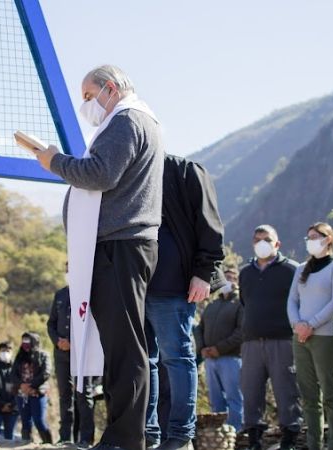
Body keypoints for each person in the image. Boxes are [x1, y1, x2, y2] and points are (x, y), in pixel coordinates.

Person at [34, 64, 164, 450]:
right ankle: (123, 434)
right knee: (119, 345)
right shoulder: (137, 120)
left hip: (121, 245)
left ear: (110, 88)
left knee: (125, 346)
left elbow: (101, 173)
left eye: (89, 96)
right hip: (118, 244)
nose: (87, 105)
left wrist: (54, 161)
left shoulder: (127, 121)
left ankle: (126, 438)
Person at [144, 154, 225, 450]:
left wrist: (203, 273)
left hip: (174, 286)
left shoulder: (185, 170)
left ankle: (180, 435)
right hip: (136, 285)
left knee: (177, 359)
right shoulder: (128, 168)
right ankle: (148, 433)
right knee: (144, 362)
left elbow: (210, 224)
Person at [286, 223, 333, 450]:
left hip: (326, 337)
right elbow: (292, 300)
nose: (311, 240)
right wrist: (298, 325)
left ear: (329, 239)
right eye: (309, 236)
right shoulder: (302, 268)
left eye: (316, 236)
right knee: (309, 397)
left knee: (331, 396)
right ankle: (314, 445)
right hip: (301, 338)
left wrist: (311, 324)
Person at [238, 225, 302, 450]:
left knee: (287, 391)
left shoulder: (292, 270)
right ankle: (254, 440)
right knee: (251, 392)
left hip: (283, 341)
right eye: (257, 239)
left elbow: (299, 303)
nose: (261, 242)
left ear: (277, 244)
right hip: (252, 342)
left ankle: (290, 440)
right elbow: (245, 302)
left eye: (266, 239)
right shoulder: (245, 272)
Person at [195, 267, 244, 432]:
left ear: (237, 282)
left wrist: (219, 349)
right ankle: (219, 434)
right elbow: (200, 329)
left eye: (232, 277)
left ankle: (236, 431)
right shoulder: (212, 305)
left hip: (231, 358)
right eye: (225, 277)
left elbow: (241, 332)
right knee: (216, 400)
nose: (228, 281)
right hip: (209, 360)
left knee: (234, 398)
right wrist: (202, 348)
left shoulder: (240, 304)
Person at [47, 282, 96, 447]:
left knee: (84, 394)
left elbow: (92, 323)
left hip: (81, 353)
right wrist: (57, 341)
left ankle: (86, 438)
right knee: (65, 395)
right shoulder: (60, 294)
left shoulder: (88, 293)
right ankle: (65, 437)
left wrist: (73, 343)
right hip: (61, 353)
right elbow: (51, 323)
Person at [11, 331, 53, 444]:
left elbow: (46, 373)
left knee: (39, 420)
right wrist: (21, 385)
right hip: (21, 394)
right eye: (23, 341)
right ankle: (27, 443)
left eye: (28, 341)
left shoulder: (44, 355)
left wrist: (32, 385)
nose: (25, 343)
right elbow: (13, 374)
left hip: (37, 392)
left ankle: (48, 444)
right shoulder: (19, 356)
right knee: (25, 421)